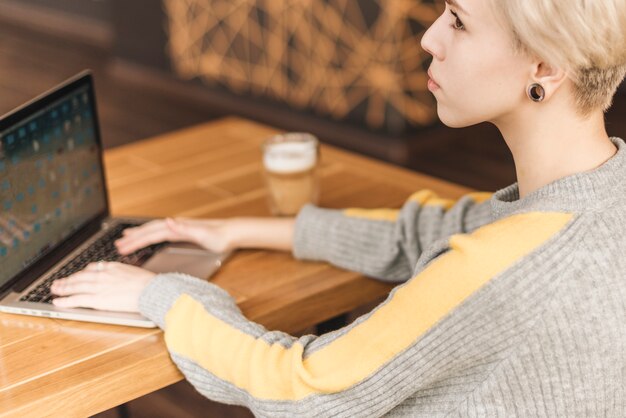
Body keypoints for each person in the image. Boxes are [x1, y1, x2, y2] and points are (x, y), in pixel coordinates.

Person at [51, 0, 626, 416]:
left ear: (546, 68)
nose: (430, 37)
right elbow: (439, 228)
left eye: (458, 19)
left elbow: (305, 389)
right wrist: (236, 229)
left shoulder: (502, 270)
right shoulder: (600, 192)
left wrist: (161, 294)